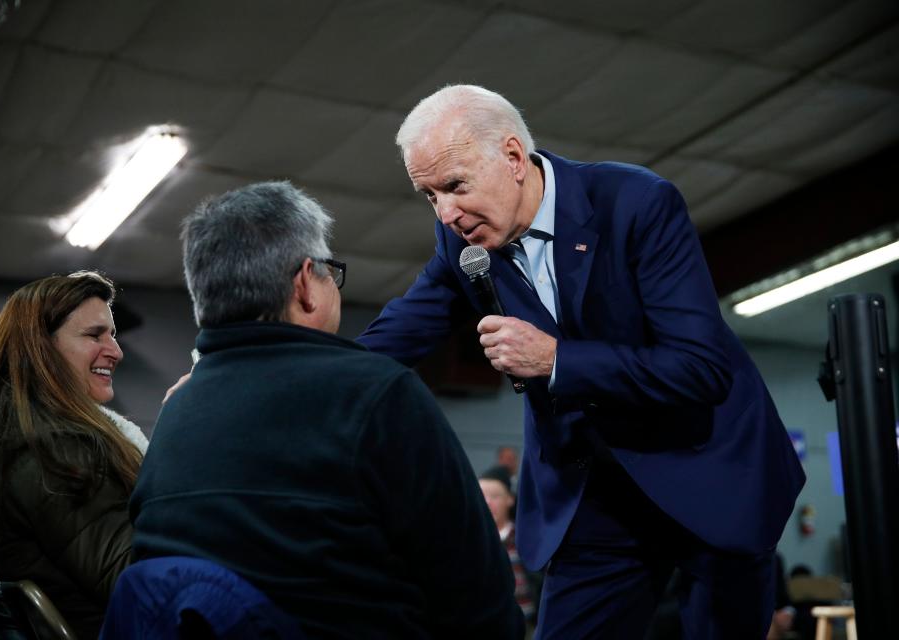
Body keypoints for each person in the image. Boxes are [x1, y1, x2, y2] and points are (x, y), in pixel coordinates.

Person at [357, 85, 806, 637]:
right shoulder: (462, 243)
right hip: (595, 494)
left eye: (455, 185)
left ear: (514, 158)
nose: (446, 212)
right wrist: (293, 371)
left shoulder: (636, 202)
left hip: (705, 470)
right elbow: (394, 335)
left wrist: (556, 359)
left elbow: (700, 368)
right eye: (429, 196)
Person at [129, 181, 524, 638]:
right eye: (329, 272)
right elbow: (480, 601)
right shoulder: (379, 394)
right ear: (304, 285)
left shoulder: (175, 413)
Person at [0, 272, 148, 639]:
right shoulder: (53, 448)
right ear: (41, 347)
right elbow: (137, 580)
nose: (116, 351)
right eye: (94, 335)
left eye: (112, 334)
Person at [479, 467, 536, 627]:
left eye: (495, 496)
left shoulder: (524, 538)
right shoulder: (470, 538)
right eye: (482, 496)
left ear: (510, 499)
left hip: (526, 622)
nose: (487, 502)